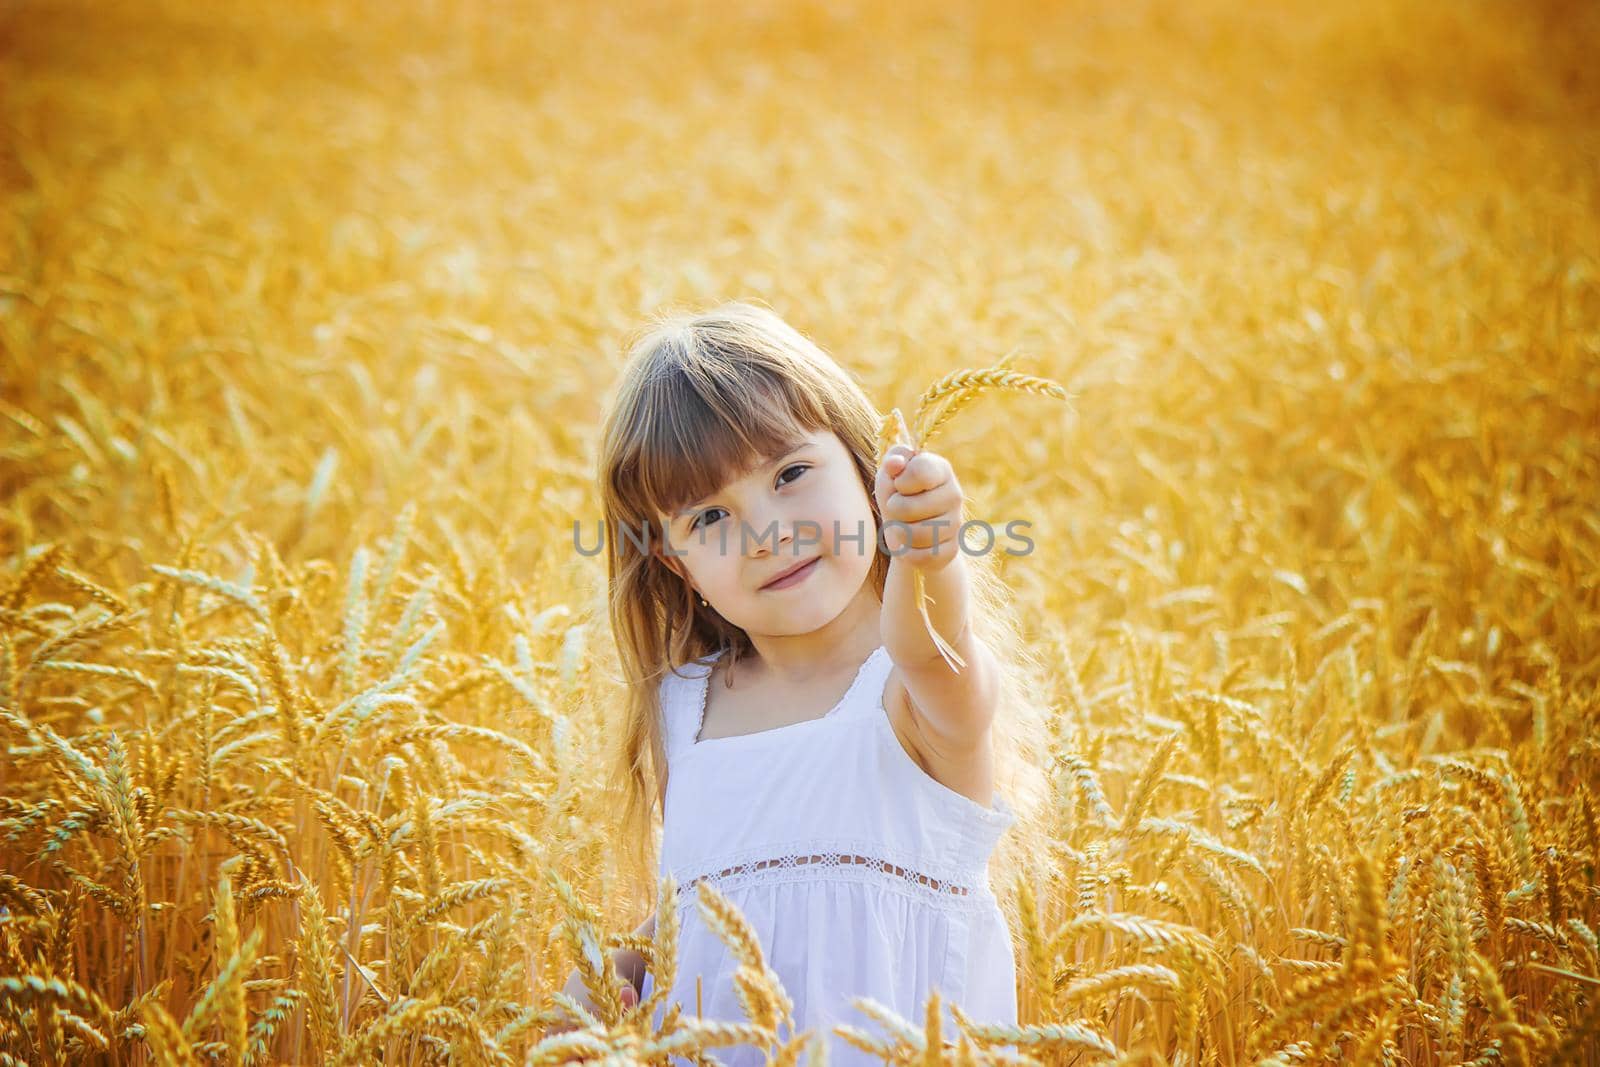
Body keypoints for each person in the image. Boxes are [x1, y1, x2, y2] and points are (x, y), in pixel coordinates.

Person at [555, 300, 1052, 1064]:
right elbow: (694, 906)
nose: (767, 532)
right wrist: (609, 977)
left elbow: (932, 647)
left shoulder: (912, 695)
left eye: (790, 473)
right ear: (673, 563)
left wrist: (930, 556)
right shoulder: (683, 706)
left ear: (864, 468)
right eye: (709, 518)